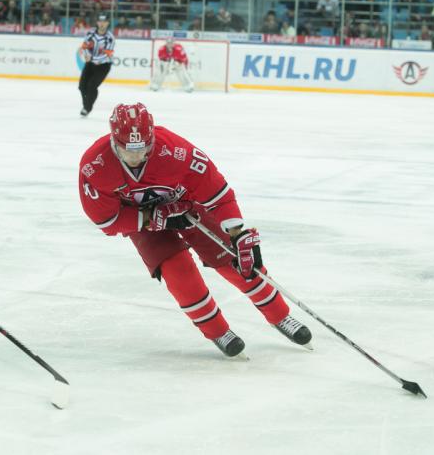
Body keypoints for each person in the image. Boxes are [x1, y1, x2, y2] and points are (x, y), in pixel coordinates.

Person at [78, 103, 312, 357]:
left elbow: (218, 194)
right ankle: (217, 330)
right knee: (177, 271)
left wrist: (237, 235)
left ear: (152, 137)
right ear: (114, 140)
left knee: (234, 261)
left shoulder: (177, 151)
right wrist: (154, 218)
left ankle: (280, 315)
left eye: (143, 148)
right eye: (128, 150)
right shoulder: (95, 165)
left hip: (186, 205)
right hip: (142, 220)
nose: (136, 157)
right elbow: (107, 221)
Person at [78, 14, 115, 117]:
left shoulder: (110, 37)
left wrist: (92, 58)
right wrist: (86, 55)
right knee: (82, 86)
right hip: (90, 63)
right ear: (97, 23)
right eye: (100, 21)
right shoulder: (91, 33)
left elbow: (107, 54)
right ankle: (86, 105)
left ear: (107, 23)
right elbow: (84, 46)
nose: (102, 24)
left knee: (92, 85)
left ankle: (87, 108)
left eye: (104, 22)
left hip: (104, 65)